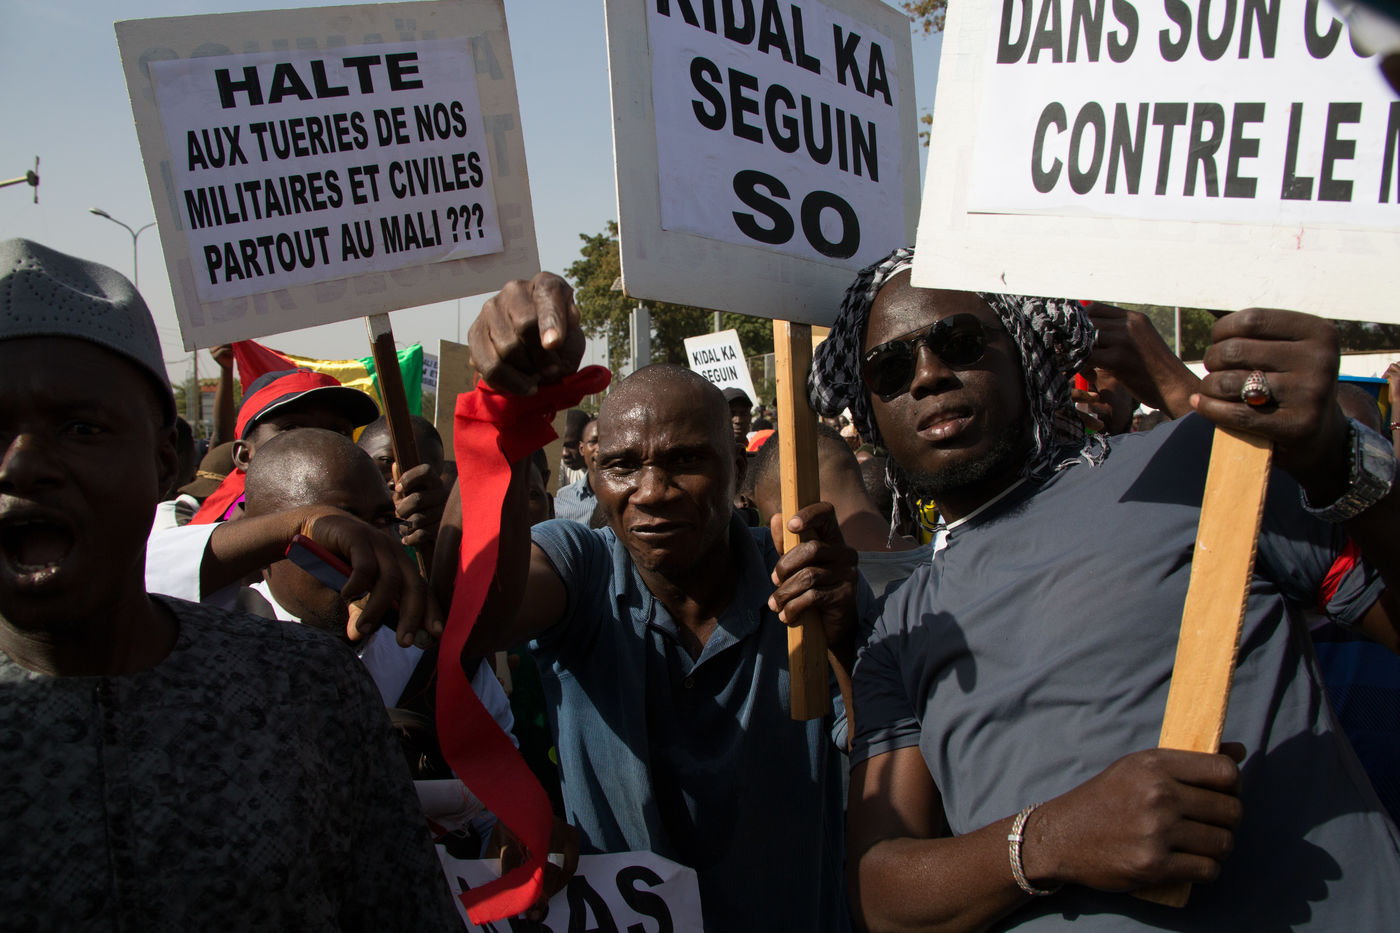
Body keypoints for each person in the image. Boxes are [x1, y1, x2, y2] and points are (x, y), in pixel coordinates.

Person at [811, 247, 1400, 930]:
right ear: (870, 412)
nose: (928, 375)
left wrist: (1335, 458)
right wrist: (1050, 840)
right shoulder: (899, 628)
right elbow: (883, 895)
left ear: (1025, 349)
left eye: (960, 342)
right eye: (889, 369)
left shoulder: (1198, 460)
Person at [0, 237, 459, 930]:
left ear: (165, 461)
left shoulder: (307, 687)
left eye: (80, 428)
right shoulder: (202, 553)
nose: (22, 465)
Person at [438, 272, 863, 933]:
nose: (653, 489)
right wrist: (498, 414)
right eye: (623, 465)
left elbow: (883, 760)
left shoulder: (802, 583)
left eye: (686, 460)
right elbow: (474, 609)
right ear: (594, 474)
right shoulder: (581, 567)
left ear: (736, 470)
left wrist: (846, 638)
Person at [750, 424, 930, 604]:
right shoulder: (940, 563)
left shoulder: (819, 602)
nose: (776, 540)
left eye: (771, 526)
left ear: (796, 520)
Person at [356, 413, 450, 550]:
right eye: (386, 461)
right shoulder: (331, 523)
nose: (397, 482)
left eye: (417, 471)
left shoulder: (437, 542)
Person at [553, 417, 598, 524]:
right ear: (582, 448)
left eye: (571, 445)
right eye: (593, 442)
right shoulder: (562, 499)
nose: (564, 453)